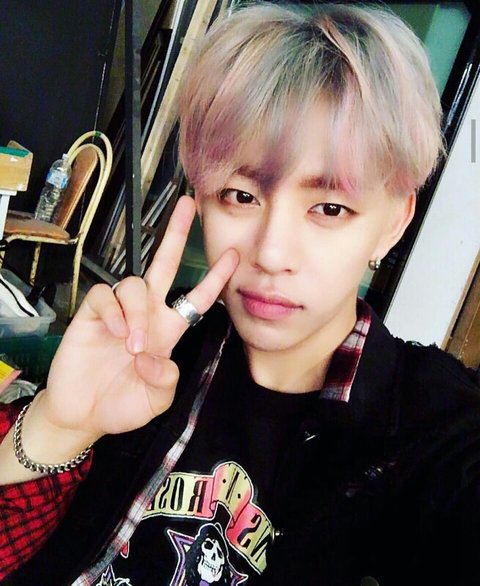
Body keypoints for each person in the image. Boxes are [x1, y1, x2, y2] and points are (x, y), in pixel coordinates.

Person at [1, 2, 479, 585]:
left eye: (330, 208)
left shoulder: (434, 431)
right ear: (203, 199)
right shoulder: (147, 348)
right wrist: (61, 426)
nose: (271, 254)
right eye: (241, 196)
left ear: (394, 223)